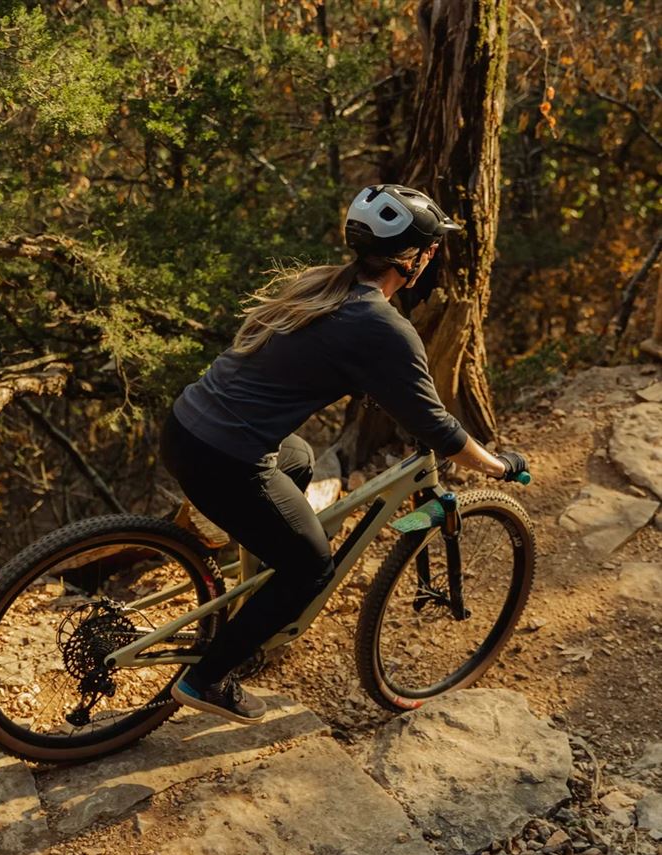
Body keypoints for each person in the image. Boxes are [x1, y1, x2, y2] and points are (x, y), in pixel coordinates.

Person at [160, 184, 528, 724]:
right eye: (432, 250)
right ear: (414, 258)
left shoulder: (320, 285)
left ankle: (258, 600)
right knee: (312, 568)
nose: (433, 259)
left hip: (185, 427)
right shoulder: (382, 325)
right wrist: (498, 466)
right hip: (226, 459)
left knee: (299, 459)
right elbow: (438, 429)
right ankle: (207, 678)